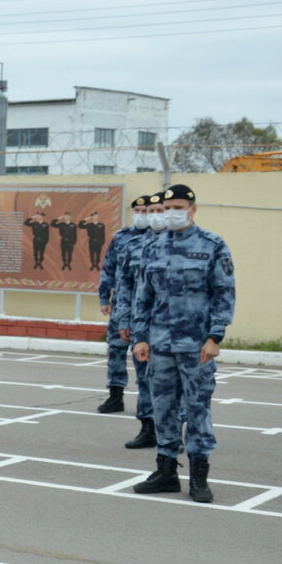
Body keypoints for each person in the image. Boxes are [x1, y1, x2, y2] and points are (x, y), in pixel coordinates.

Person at [132, 184, 235, 503]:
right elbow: (143, 295)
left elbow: (224, 292)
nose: (173, 212)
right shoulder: (152, 247)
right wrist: (141, 337)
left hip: (197, 346)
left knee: (197, 409)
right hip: (160, 343)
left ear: (192, 208)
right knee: (163, 408)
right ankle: (166, 472)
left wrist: (215, 336)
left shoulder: (213, 245)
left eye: (179, 206)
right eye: (168, 207)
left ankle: (199, 477)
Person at [114, 192, 169, 448]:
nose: (154, 216)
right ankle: (148, 427)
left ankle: (171, 434)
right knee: (145, 378)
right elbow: (124, 285)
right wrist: (123, 320)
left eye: (160, 211)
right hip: (142, 325)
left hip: (174, 326)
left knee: (172, 383)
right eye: (151, 211)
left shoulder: (182, 244)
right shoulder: (135, 245)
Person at [95, 196, 149, 414]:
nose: (142, 215)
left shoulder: (159, 238)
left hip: (144, 308)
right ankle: (115, 396)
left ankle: (145, 402)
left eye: (146, 210)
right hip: (121, 305)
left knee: (142, 357)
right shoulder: (122, 236)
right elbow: (109, 267)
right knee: (116, 351)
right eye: (138, 210)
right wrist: (104, 298)